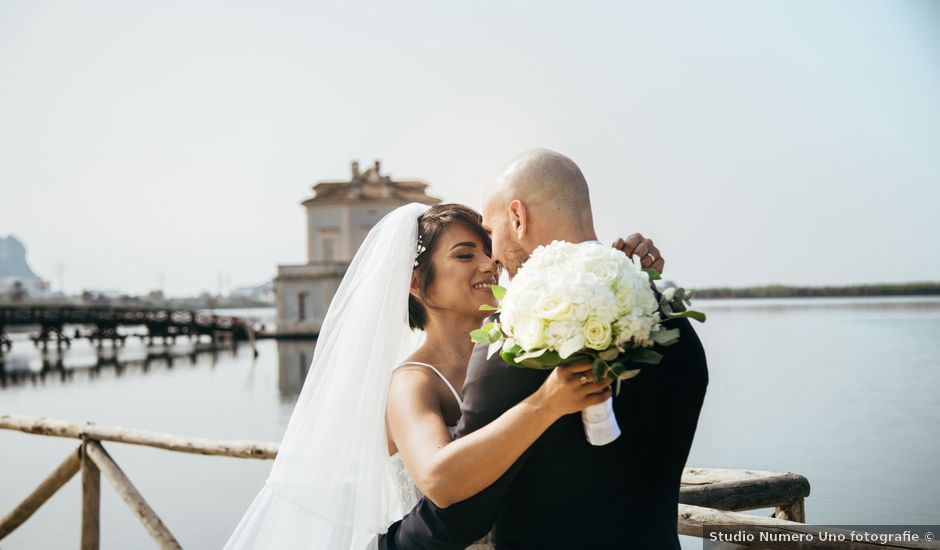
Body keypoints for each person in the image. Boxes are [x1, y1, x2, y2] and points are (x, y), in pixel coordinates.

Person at [223, 200, 665, 549]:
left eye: (487, 251)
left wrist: (626, 278)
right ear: (416, 282)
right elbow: (438, 479)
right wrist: (545, 404)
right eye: (464, 254)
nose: (489, 265)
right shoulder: (412, 382)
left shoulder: (518, 349)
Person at [380, 149, 709, 550]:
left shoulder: (517, 337)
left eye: (490, 236)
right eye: (467, 254)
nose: (492, 260)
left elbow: (460, 511)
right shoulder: (668, 316)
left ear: (517, 218)